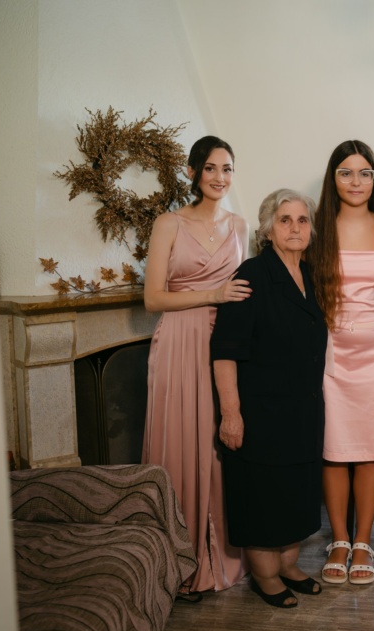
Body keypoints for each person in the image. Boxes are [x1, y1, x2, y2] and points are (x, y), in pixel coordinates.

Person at [141, 135, 251, 594]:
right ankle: (177, 559)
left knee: (219, 441)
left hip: (224, 342)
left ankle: (220, 554)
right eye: (210, 168)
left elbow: (246, 291)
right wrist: (213, 294)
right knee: (180, 438)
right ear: (192, 172)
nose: (219, 177)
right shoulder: (169, 223)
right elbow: (152, 299)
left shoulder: (240, 225)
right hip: (178, 341)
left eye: (227, 169)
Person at [210, 188, 327, 609]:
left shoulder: (310, 276)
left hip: (301, 410)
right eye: (284, 220)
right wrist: (231, 414)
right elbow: (225, 351)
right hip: (260, 411)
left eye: (302, 220)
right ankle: (265, 576)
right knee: (263, 495)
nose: (295, 228)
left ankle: (288, 566)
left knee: (295, 491)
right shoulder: (252, 275)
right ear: (267, 230)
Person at [307, 141, 374, 585]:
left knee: (370, 449)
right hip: (332, 351)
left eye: (365, 173)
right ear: (333, 178)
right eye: (346, 173)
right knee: (335, 448)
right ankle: (339, 540)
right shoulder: (317, 226)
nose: (356, 181)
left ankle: (363, 541)